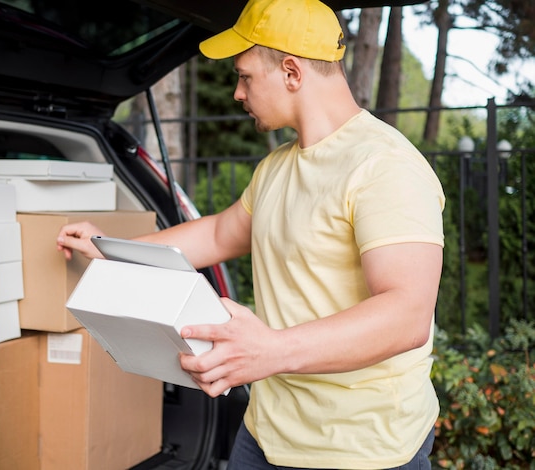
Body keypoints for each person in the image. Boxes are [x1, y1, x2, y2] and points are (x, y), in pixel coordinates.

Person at [56, 0, 446, 468]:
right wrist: (111, 253)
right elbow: (220, 234)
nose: (238, 93)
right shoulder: (277, 167)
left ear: (292, 72)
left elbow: (405, 315)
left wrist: (273, 351)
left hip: (362, 447)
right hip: (266, 432)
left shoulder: (385, 166)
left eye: (245, 76)